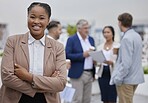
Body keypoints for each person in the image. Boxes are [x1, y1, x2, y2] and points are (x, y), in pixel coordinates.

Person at [0, 2, 67, 103]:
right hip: (16, 99)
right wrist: (45, 86)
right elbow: (7, 77)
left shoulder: (58, 47)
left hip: (46, 100)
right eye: (32, 17)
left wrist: (28, 77)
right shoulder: (13, 42)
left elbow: (61, 83)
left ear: (48, 20)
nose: (36, 21)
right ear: (27, 17)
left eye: (41, 18)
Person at [110, 13, 145, 103]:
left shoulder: (126, 38)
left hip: (126, 79)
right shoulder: (136, 36)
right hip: (135, 78)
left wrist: (118, 78)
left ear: (120, 23)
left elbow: (126, 63)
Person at [65, 19, 96, 103]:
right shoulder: (71, 40)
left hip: (89, 73)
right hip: (77, 74)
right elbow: (67, 55)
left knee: (87, 100)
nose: (87, 30)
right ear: (79, 29)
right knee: (77, 99)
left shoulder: (91, 40)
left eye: (88, 28)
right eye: (85, 28)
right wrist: (83, 55)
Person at [97, 26, 118, 103]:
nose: (106, 34)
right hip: (102, 74)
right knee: (104, 98)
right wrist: (96, 61)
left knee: (112, 98)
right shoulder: (100, 47)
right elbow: (98, 61)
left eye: (108, 32)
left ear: (112, 34)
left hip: (113, 74)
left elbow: (120, 61)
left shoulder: (117, 46)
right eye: (104, 32)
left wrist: (112, 63)